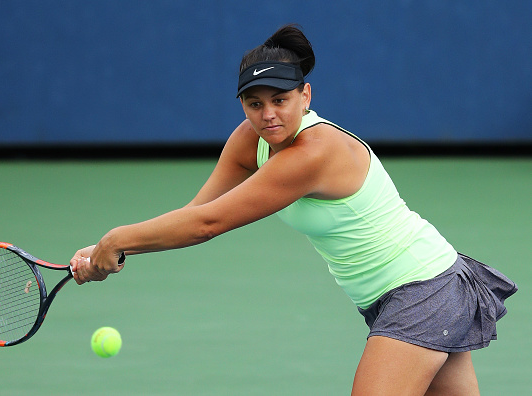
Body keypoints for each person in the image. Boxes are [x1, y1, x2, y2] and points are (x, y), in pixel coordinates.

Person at [71, 25, 517, 395]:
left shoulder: (315, 153)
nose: (268, 115)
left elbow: (209, 225)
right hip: (394, 294)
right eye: (255, 103)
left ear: (305, 95)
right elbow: (196, 210)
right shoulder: (249, 141)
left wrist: (118, 240)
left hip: (424, 287)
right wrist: (105, 249)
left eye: (280, 100)